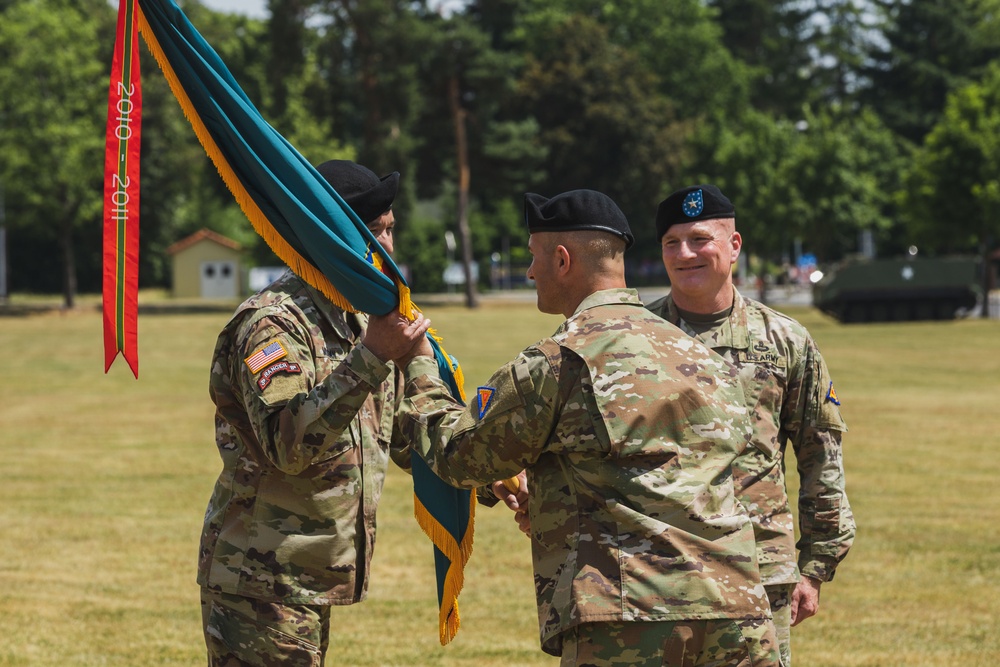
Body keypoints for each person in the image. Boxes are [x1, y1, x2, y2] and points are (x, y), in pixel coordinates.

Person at [370, 189, 781, 667]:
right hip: (739, 613)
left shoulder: (559, 361)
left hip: (630, 621)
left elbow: (460, 456)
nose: (529, 272)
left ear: (562, 260)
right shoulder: (703, 355)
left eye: (533, 257)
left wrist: (417, 364)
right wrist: (550, 497)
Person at [196, 159, 434, 665]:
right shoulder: (273, 324)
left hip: (304, 578)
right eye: (374, 233)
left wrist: (488, 476)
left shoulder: (358, 320)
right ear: (328, 239)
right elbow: (287, 444)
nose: (387, 248)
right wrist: (370, 358)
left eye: (391, 229)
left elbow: (399, 435)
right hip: (261, 582)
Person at [646, 184, 856, 666]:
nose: (685, 253)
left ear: (734, 245)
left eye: (700, 239)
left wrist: (817, 566)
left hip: (758, 569)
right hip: (656, 567)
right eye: (671, 243)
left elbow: (820, 453)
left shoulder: (783, 339)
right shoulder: (638, 334)